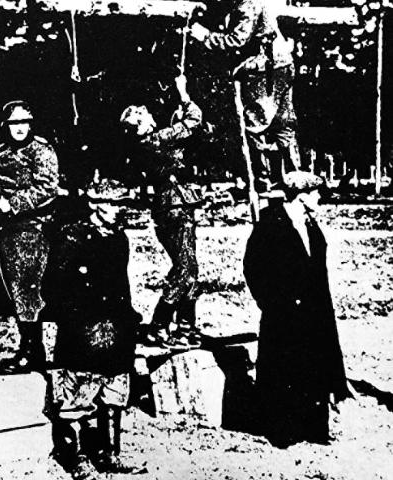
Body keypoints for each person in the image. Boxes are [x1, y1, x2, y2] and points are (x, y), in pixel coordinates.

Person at [41, 182, 144, 475]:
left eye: (121, 204)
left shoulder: (119, 239)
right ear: (94, 205)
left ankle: (109, 454)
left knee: (114, 393)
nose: (118, 210)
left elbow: (122, 286)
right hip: (82, 331)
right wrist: (79, 318)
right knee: (77, 397)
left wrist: (127, 319)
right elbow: (52, 288)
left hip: (116, 330)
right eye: (111, 204)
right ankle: (78, 458)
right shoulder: (73, 237)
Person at [243, 171, 351, 448]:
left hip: (314, 311)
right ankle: (282, 431)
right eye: (316, 193)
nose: (320, 198)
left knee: (314, 365)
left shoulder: (311, 226)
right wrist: (272, 303)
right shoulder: (270, 224)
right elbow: (253, 268)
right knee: (283, 368)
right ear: (301, 195)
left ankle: (314, 428)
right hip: (282, 314)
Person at [120, 75, 204, 349]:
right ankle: (160, 325)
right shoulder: (155, 140)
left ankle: (186, 327)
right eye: (144, 115)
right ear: (140, 126)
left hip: (173, 207)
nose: (150, 114)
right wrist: (184, 95)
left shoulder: (152, 142)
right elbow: (194, 122)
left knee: (189, 268)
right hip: (175, 207)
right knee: (185, 269)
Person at [0, 100, 60, 370]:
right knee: (13, 288)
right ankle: (27, 346)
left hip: (32, 227)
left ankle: (32, 351)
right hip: (7, 229)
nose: (19, 128)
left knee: (26, 289)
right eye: (14, 123)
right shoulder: (2, 151)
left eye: (24, 122)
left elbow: (47, 188)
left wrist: (13, 203)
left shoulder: (42, 150)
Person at [188, 0, 300, 192]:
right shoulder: (246, 4)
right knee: (282, 124)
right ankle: (292, 178)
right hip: (280, 65)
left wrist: (204, 36)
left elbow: (237, 40)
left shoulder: (246, 6)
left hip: (265, 69)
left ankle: (261, 180)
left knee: (254, 124)